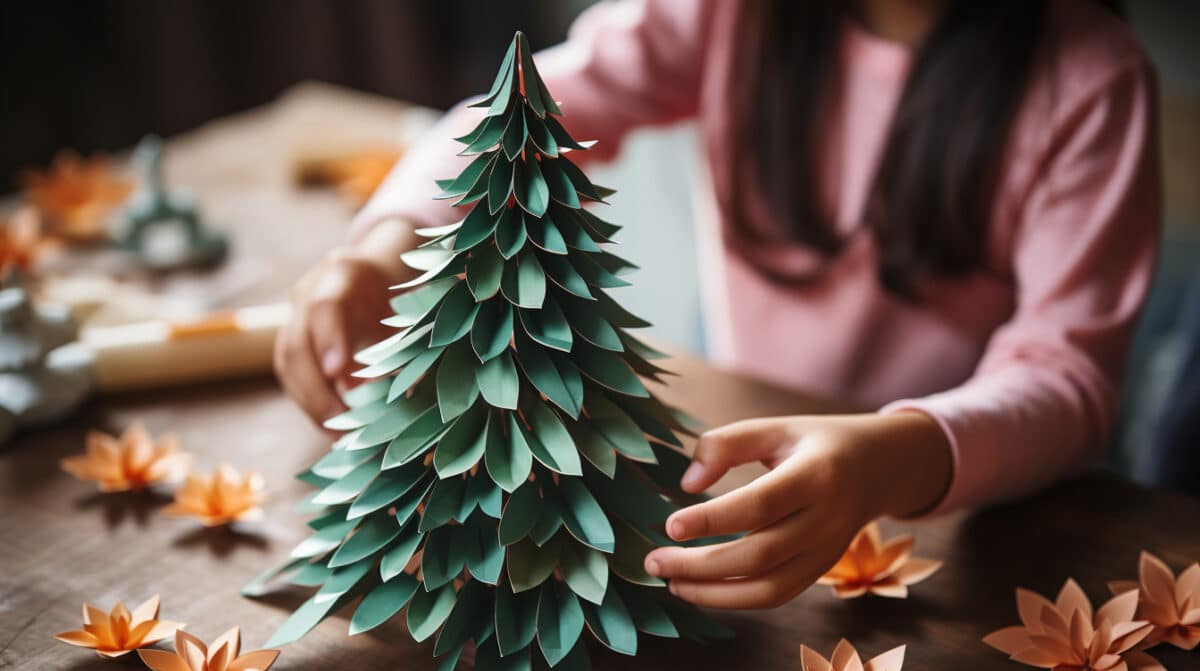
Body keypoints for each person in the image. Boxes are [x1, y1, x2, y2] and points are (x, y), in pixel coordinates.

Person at [275, 0, 1159, 610]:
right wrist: (390, 240)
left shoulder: (1089, 79)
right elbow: (535, 105)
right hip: (738, 468)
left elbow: (1067, 377)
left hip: (961, 517)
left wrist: (893, 460)